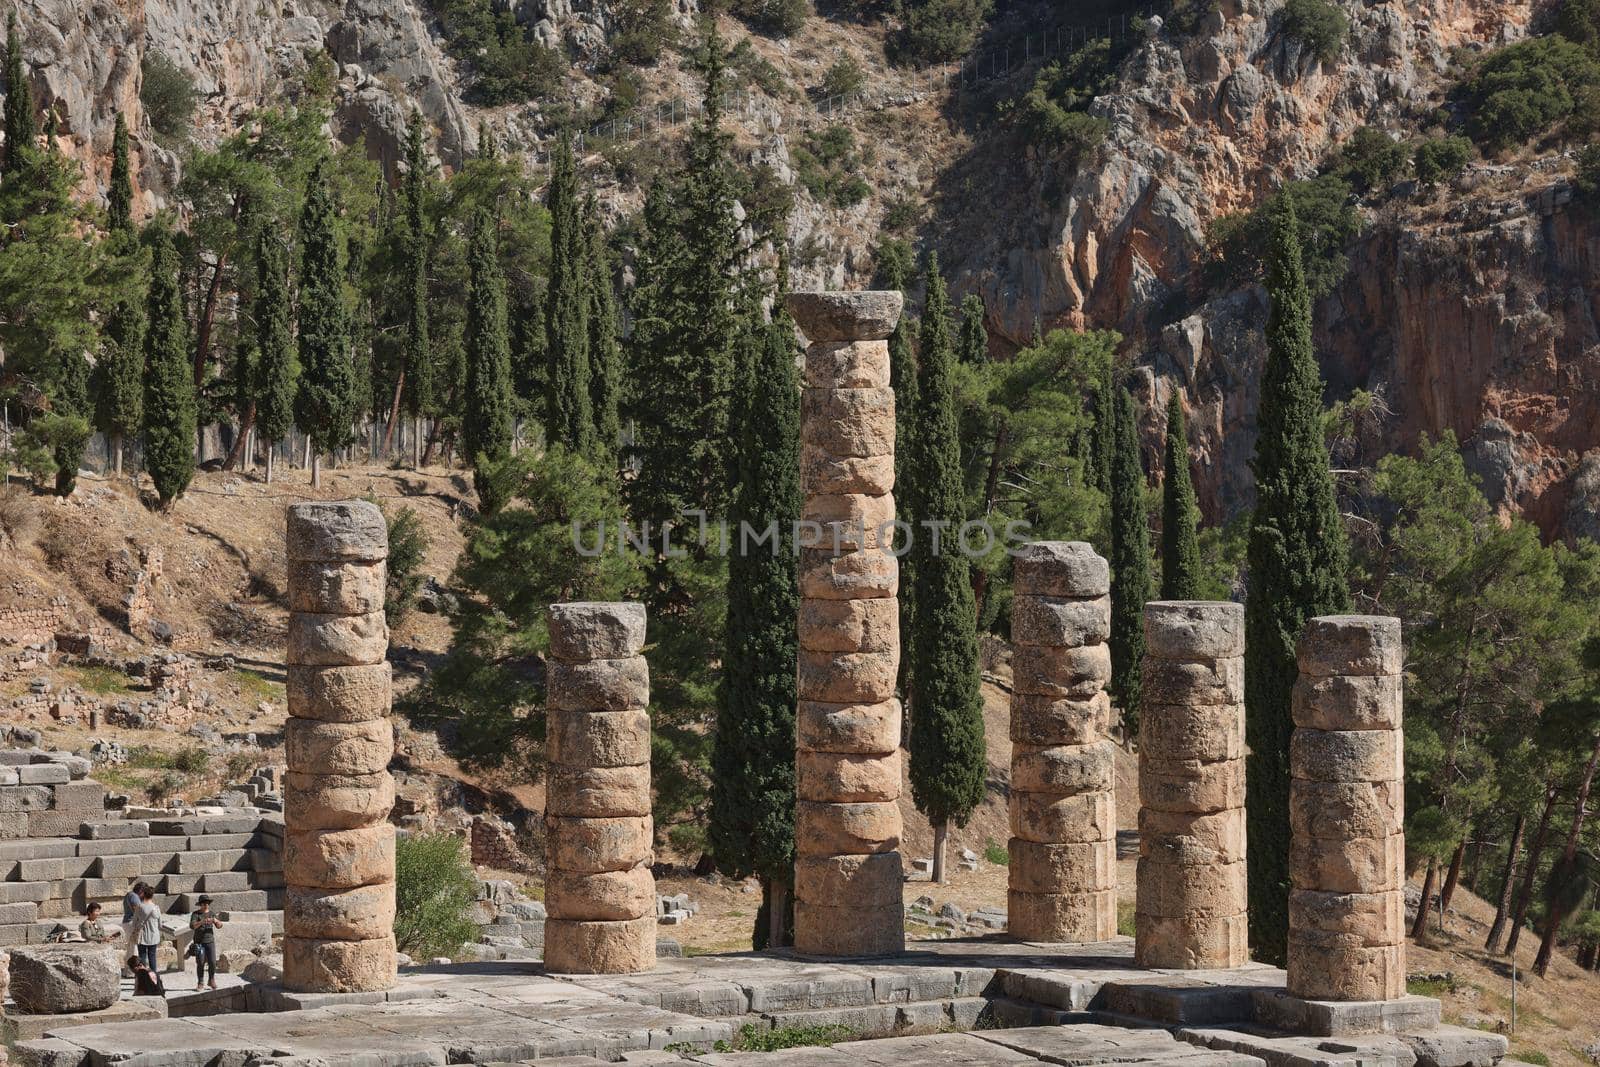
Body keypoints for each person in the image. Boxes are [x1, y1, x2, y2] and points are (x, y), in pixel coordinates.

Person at [188, 895, 223, 989]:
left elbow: (220, 926)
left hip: (210, 941)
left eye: (207, 903)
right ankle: (200, 982)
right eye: (204, 903)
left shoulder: (212, 913)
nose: (206, 905)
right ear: (200, 904)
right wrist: (202, 922)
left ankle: (211, 980)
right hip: (199, 943)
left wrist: (215, 920)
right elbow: (192, 926)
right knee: (201, 962)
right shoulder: (196, 914)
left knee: (212, 962)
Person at [132, 884, 163, 974]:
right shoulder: (156, 908)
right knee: (152, 957)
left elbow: (134, 923)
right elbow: (160, 925)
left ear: (144, 894)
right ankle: (154, 977)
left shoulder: (139, 907)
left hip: (142, 937)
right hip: (154, 936)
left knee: (142, 957)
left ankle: (143, 977)